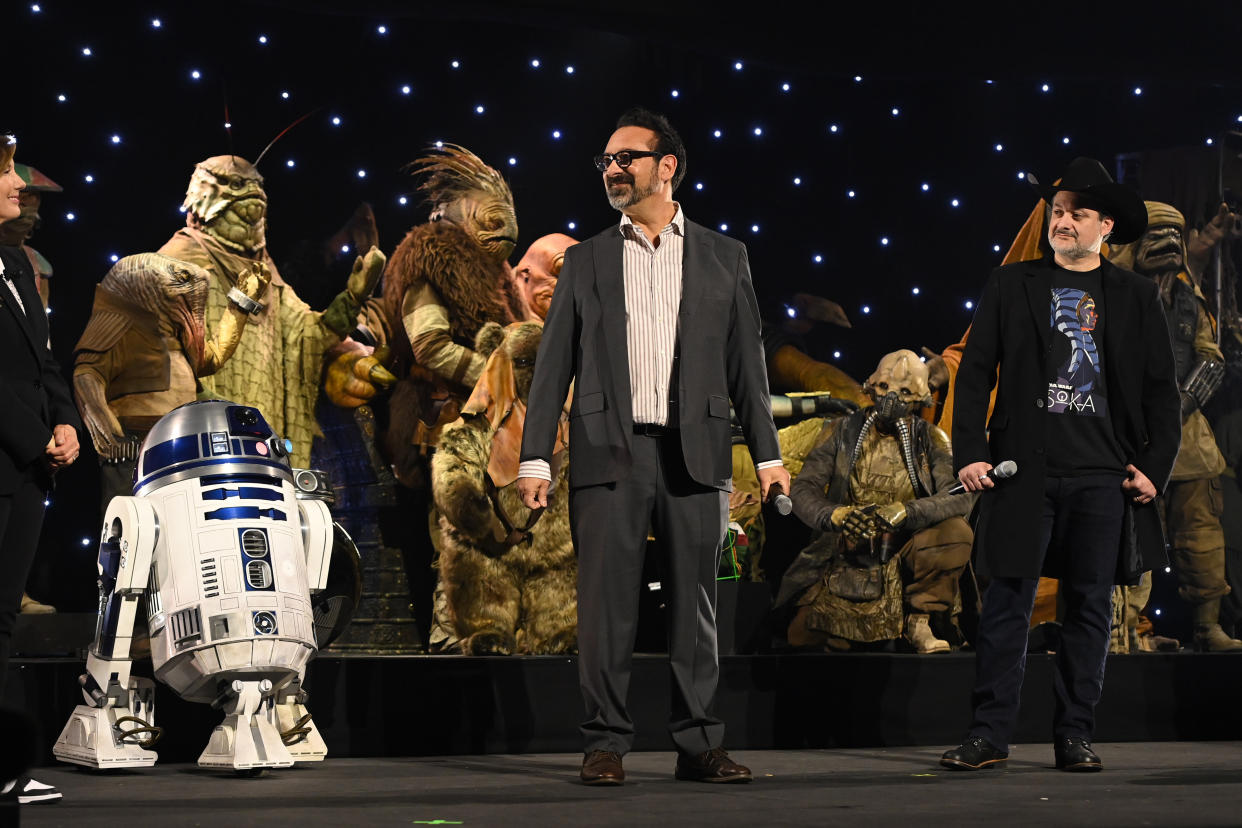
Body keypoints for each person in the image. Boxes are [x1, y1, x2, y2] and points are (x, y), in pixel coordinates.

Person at [517, 107, 788, 786]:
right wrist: (534, 457)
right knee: (606, 606)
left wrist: (769, 456)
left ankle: (699, 743)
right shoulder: (585, 261)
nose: (613, 170)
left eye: (626, 158)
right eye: (605, 160)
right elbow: (552, 368)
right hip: (611, 448)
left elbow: (747, 368)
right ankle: (605, 742)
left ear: (667, 166)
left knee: (697, 607)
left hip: (695, 449)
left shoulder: (727, 256)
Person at [942, 157, 1181, 773]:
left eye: (1077, 212)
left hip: (1103, 476)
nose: (1063, 220)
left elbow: (1162, 391)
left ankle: (1075, 734)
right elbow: (973, 377)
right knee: (1007, 604)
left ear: (1105, 225)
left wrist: (1155, 465)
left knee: (1089, 608)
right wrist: (970, 452)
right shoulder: (1012, 283)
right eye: (1058, 210)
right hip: (1024, 472)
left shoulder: (1133, 296)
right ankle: (989, 735)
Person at [775, 350, 975, 654]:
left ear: (921, 398)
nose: (891, 398)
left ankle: (919, 620)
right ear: (870, 386)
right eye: (883, 387)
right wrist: (836, 515)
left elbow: (958, 497)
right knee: (804, 640)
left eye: (905, 391)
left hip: (906, 547)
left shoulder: (931, 439)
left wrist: (906, 512)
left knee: (956, 533)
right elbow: (804, 489)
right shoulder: (840, 431)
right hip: (846, 548)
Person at [0, 133, 79, 805]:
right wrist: (35, 437)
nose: (18, 189)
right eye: (6, 179)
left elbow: (42, 361)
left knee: (3, 615)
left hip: (28, 467)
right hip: (11, 452)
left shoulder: (20, 265)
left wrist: (66, 422)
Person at [1123, 201, 1241, 651]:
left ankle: (1208, 626)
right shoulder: (1110, 296)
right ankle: (1127, 628)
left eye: (1176, 235)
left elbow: (1211, 358)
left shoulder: (1190, 297)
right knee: (1130, 538)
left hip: (1187, 438)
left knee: (1201, 535)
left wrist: (1182, 402)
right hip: (1130, 438)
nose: (1169, 244)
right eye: (1157, 235)